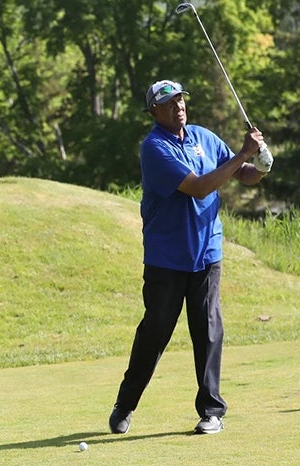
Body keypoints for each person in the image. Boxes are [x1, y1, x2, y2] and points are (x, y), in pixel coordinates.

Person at [108, 79, 271, 436]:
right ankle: (126, 403)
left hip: (207, 252)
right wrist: (244, 154)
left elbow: (241, 174)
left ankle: (212, 411)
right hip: (167, 256)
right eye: (169, 103)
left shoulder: (203, 137)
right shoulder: (154, 148)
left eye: (181, 100)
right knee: (155, 332)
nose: (178, 106)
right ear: (154, 112)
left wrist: (259, 165)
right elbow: (198, 187)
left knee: (208, 329)